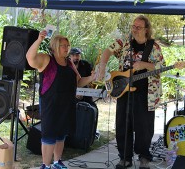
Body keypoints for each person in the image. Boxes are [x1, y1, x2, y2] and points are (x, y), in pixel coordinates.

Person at [97, 15, 165, 169]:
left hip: (146, 92)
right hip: (123, 89)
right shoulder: (125, 42)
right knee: (123, 124)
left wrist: (144, 64)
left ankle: (143, 157)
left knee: (144, 127)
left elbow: (160, 67)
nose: (134, 29)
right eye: (133, 26)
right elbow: (107, 51)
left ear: (146, 29)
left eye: (138, 27)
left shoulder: (154, 47)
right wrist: (102, 65)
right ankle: (125, 158)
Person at [26, 31, 95, 169]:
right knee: (49, 136)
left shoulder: (69, 62)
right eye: (63, 45)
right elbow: (30, 58)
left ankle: (57, 162)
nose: (66, 48)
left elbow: (79, 82)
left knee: (61, 135)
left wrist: (93, 77)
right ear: (55, 46)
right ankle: (45, 165)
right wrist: (39, 39)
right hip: (51, 105)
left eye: (67, 45)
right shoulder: (47, 59)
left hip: (67, 104)